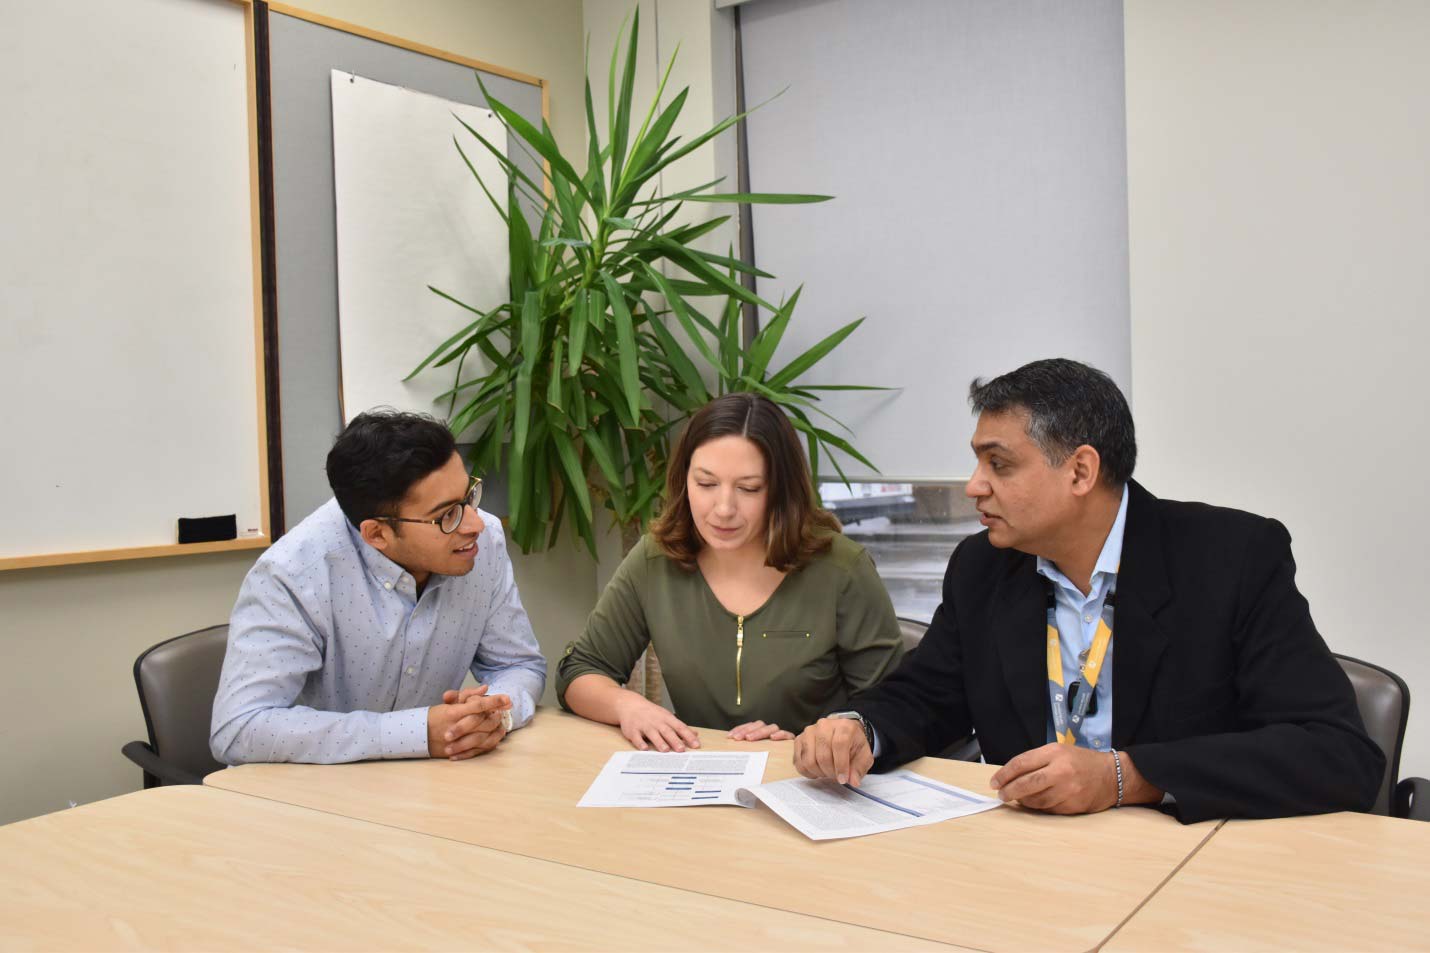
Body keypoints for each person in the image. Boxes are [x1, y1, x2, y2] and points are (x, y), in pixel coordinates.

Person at [793, 359, 1383, 823]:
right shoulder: (984, 567)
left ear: (1080, 471)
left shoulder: (1230, 558)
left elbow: (1336, 753)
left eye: (999, 465)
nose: (974, 487)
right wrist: (856, 728)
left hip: (1190, 863)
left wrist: (1127, 777)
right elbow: (926, 696)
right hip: (1030, 866)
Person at [557, 393, 905, 752]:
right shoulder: (653, 561)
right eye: (706, 484)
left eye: (749, 488)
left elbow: (895, 706)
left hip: (817, 786)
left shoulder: (842, 569)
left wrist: (819, 741)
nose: (723, 508)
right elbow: (579, 670)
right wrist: (627, 704)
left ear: (781, 491)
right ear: (684, 480)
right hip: (698, 785)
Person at [210, 410, 546, 765]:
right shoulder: (293, 574)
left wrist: (490, 715)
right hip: (306, 795)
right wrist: (416, 733)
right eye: (447, 514)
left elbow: (518, 664)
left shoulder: (483, 543)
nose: (475, 523)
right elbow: (239, 729)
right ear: (377, 534)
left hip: (424, 785)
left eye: (470, 496)